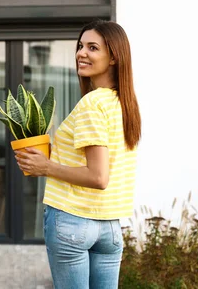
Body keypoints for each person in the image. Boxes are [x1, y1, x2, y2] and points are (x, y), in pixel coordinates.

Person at [15, 20, 141, 289]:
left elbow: (98, 176)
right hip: (109, 227)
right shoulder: (124, 103)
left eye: (93, 48)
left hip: (72, 220)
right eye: (80, 46)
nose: (81, 53)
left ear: (114, 57)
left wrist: (44, 166)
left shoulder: (92, 104)